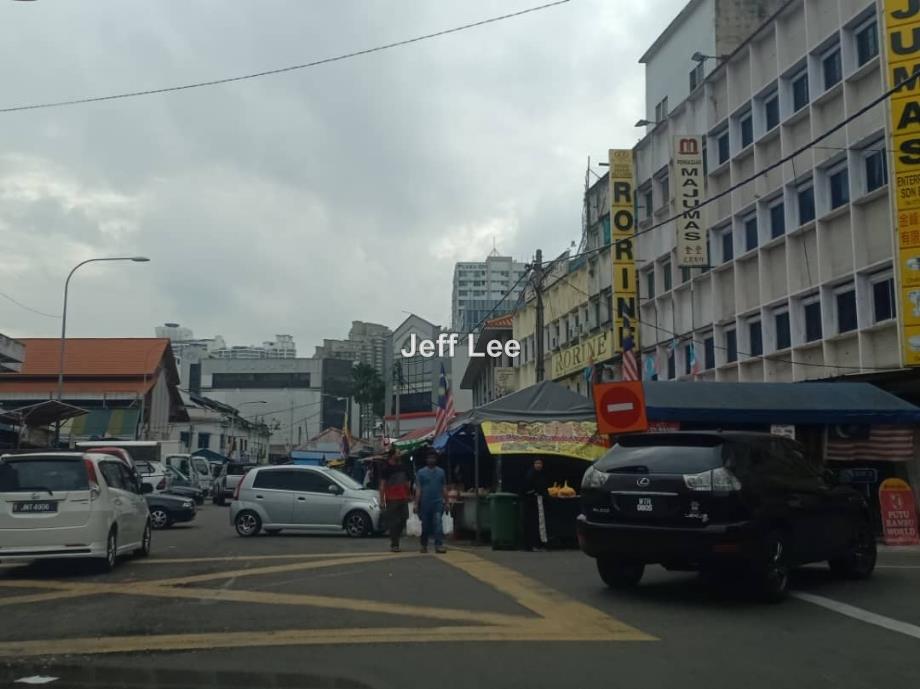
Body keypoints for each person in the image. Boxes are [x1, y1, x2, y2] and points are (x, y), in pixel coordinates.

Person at [379, 447, 412, 552]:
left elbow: (406, 482)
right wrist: (382, 500)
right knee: (394, 521)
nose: (400, 455)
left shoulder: (402, 467)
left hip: (403, 497)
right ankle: (394, 544)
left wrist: (409, 494)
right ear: (392, 455)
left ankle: (395, 536)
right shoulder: (386, 468)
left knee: (404, 518)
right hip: (392, 498)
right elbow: (382, 485)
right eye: (398, 453)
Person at [415, 448, 448, 554]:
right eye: (429, 458)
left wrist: (447, 502)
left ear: (436, 459)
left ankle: (439, 545)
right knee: (425, 526)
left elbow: (444, 488)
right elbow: (418, 489)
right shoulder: (421, 473)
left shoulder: (441, 472)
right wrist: (416, 504)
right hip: (425, 503)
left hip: (437, 502)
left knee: (438, 523)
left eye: (433, 458)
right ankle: (423, 545)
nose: (431, 460)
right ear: (426, 459)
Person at [523, 458, 549, 551]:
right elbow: (527, 488)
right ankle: (533, 545)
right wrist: (535, 493)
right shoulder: (531, 474)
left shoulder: (541, 475)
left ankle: (538, 544)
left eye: (540, 463)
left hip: (537, 502)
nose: (539, 465)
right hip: (533, 502)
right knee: (534, 523)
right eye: (537, 463)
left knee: (538, 523)